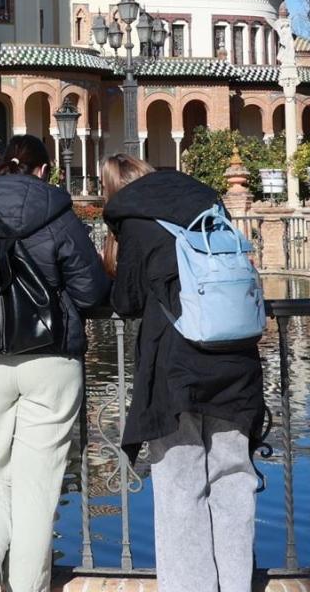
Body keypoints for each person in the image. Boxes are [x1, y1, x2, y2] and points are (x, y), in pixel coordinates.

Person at [0, 134, 108, 592]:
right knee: (37, 484)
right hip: (50, 356)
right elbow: (91, 289)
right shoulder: (58, 212)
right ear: (43, 170)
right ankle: (27, 586)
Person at [102, 153, 264, 592]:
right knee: (233, 481)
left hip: (176, 369)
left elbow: (127, 300)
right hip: (236, 360)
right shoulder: (209, 204)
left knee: (180, 487)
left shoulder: (134, 221)